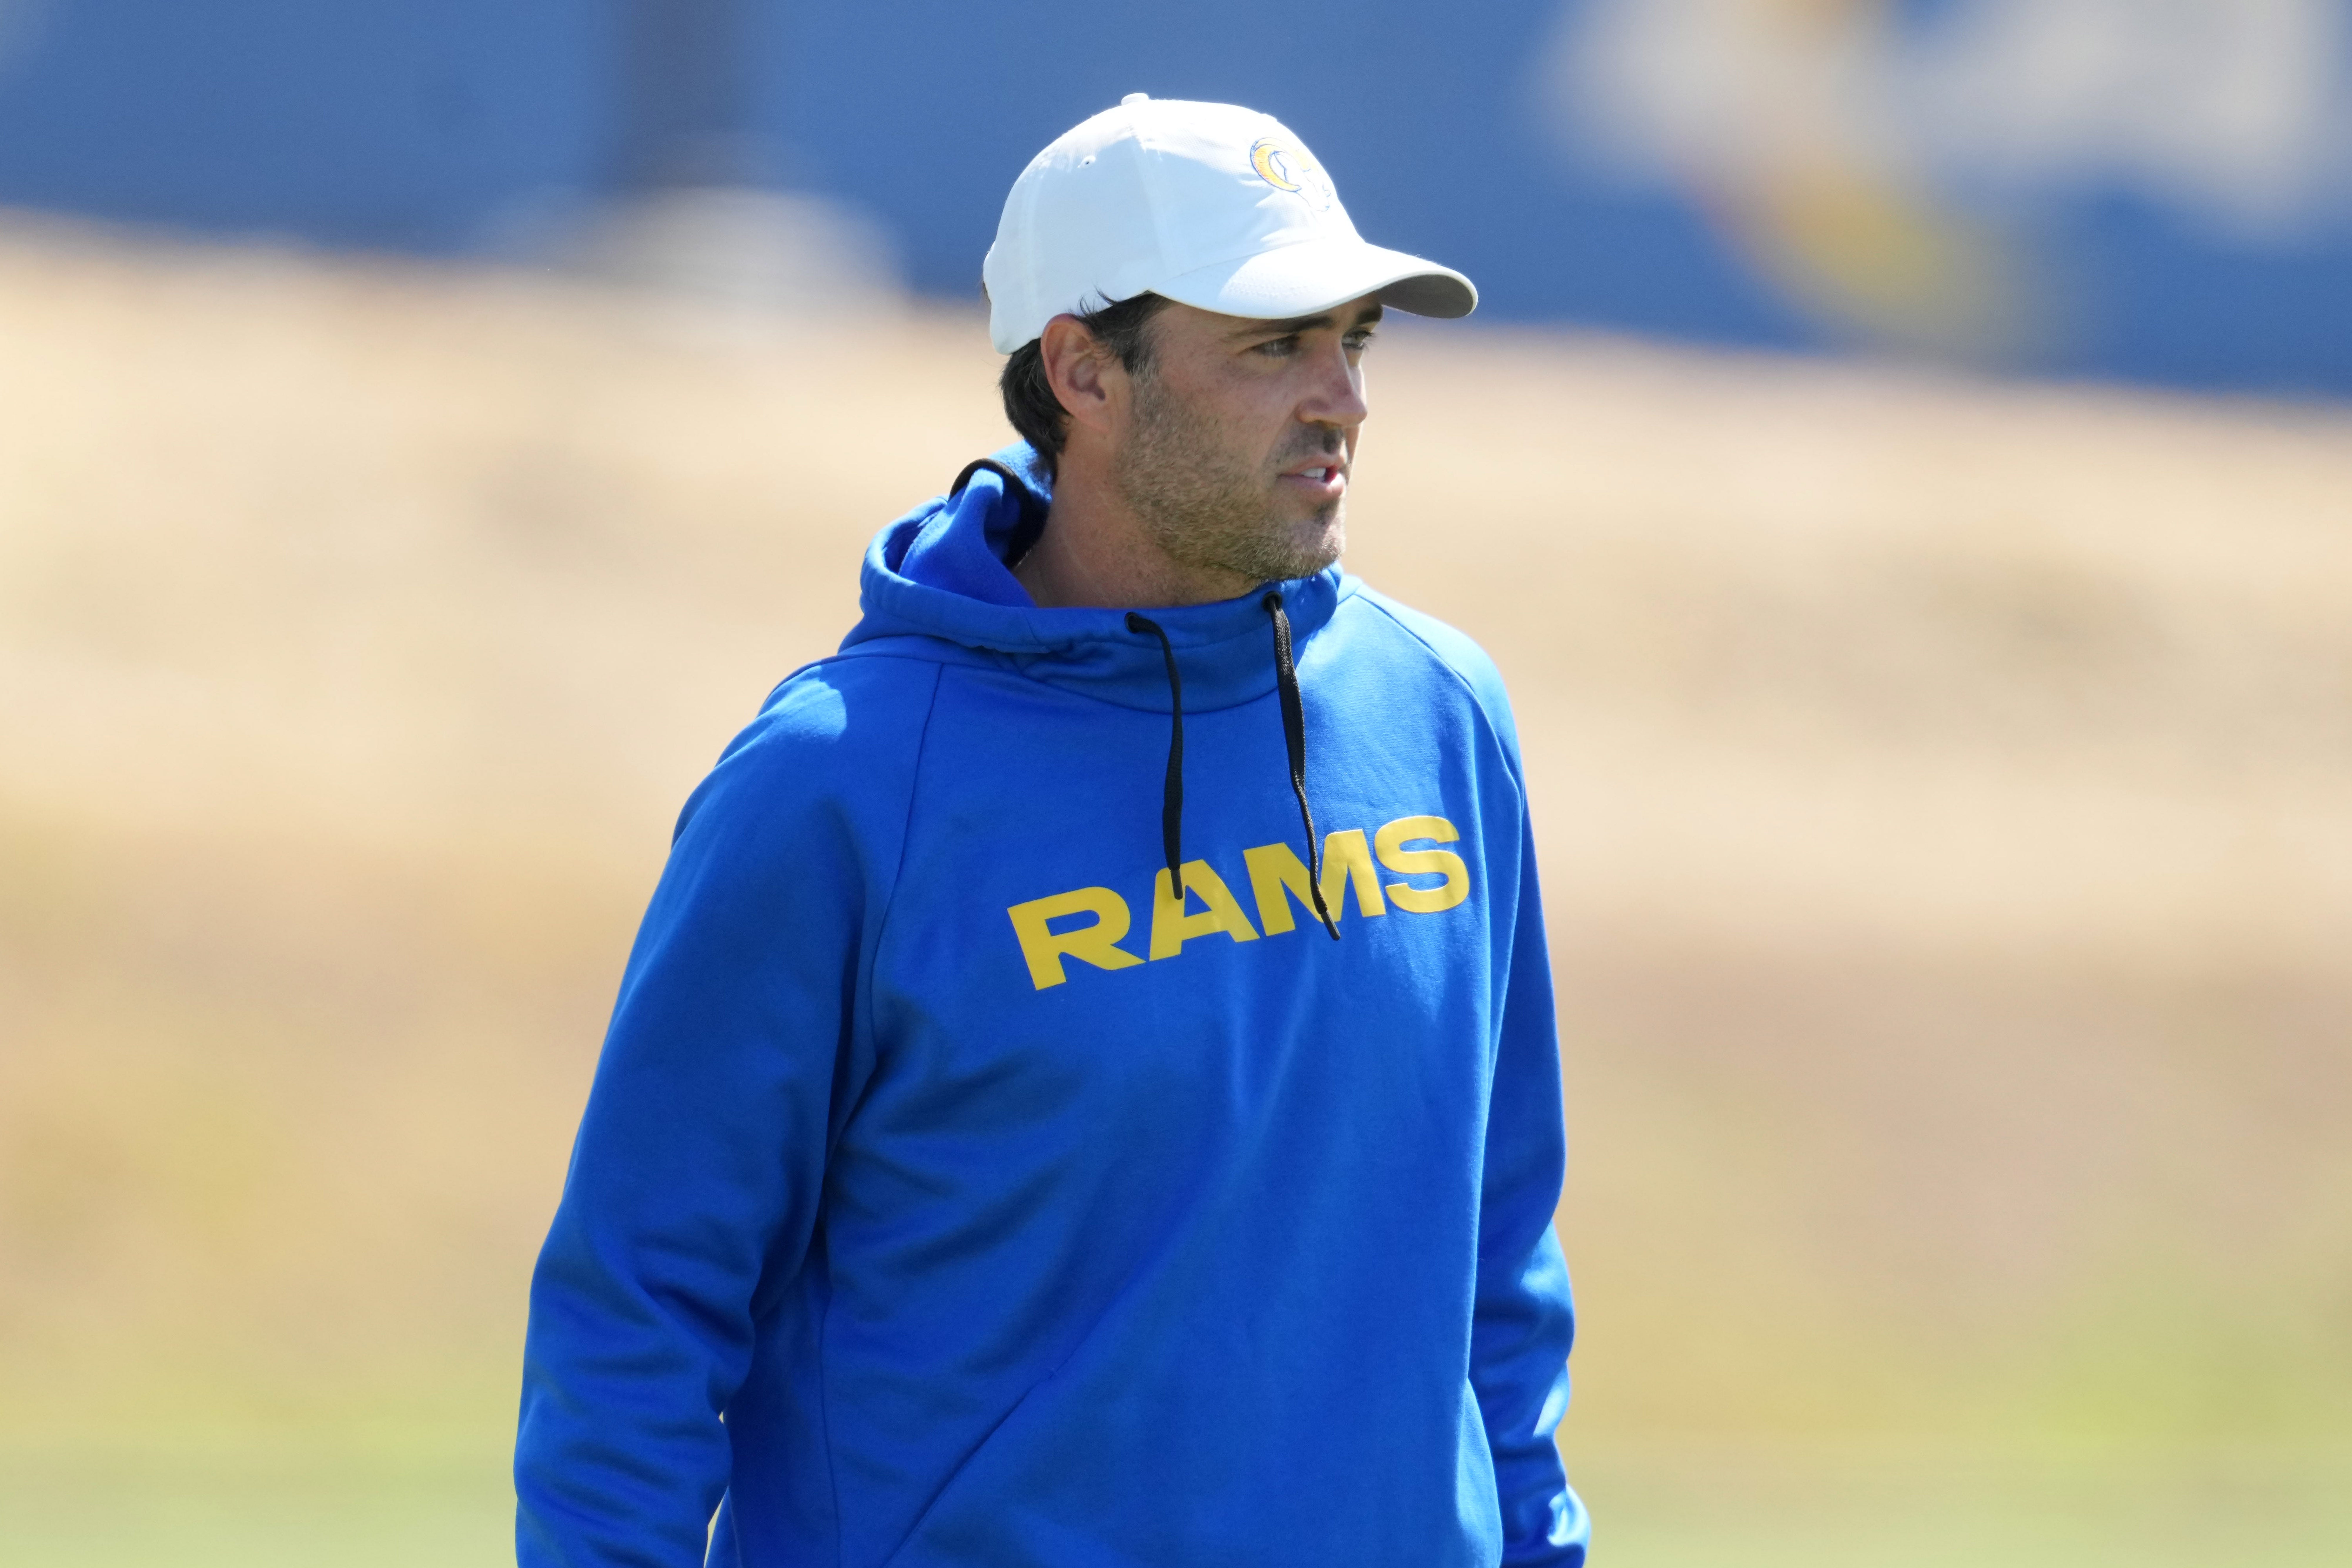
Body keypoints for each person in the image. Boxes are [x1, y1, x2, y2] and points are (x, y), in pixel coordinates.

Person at [516, 94, 1588, 1567]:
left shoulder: (1445, 714)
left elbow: (1500, 1269)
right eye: (1274, 343)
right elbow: (640, 1303)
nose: (1341, 395)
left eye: (1357, 339)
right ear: (1084, 370)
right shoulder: (835, 783)